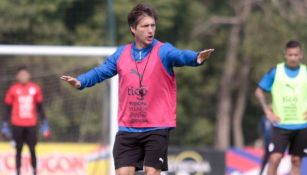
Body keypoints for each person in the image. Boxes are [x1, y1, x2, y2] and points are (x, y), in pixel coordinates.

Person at [61, 3, 214, 175]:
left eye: (153, 26)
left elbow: (179, 55)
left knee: (151, 172)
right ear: (133, 29)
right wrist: (81, 81)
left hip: (156, 128)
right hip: (128, 129)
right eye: (145, 26)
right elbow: (101, 72)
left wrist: (196, 58)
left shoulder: (163, 50)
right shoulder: (121, 54)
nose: (150, 30)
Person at [255, 40, 307, 175]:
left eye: (296, 55)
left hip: (302, 125)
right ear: (285, 54)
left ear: (301, 55)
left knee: (296, 161)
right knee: (274, 159)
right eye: (290, 55)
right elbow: (259, 92)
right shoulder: (275, 71)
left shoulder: (305, 72)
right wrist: (267, 111)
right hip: (280, 125)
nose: (293, 58)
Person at [1, 66, 50, 175]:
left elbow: (40, 108)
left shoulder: (35, 88)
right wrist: (4, 124)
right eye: (21, 75)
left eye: (25, 74)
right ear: (17, 76)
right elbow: (7, 109)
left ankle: (34, 171)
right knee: (18, 150)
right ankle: (18, 172)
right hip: (17, 124)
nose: (23, 77)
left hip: (31, 124)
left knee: (32, 149)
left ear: (29, 75)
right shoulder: (13, 89)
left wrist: (44, 123)